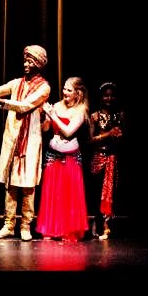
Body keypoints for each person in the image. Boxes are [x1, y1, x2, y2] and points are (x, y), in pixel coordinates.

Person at [0, 44, 51, 241]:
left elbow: (25, 106)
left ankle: (25, 225)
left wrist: (0, 102)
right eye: (25, 60)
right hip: (13, 139)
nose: (25, 64)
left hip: (30, 141)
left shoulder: (44, 88)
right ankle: (8, 225)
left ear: (37, 64)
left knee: (28, 184)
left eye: (29, 61)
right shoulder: (17, 83)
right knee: (10, 184)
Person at [36, 77, 89, 241]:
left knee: (68, 194)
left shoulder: (81, 110)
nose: (65, 92)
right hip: (53, 155)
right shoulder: (57, 106)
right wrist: (45, 117)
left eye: (69, 90)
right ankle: (51, 229)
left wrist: (53, 116)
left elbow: (68, 131)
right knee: (53, 193)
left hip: (71, 158)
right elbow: (46, 129)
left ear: (77, 93)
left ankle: (68, 230)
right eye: (64, 88)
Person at [88, 81, 124, 240]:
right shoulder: (94, 116)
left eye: (112, 95)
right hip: (98, 158)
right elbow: (89, 140)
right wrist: (107, 134)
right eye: (106, 95)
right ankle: (96, 221)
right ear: (101, 97)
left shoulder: (120, 115)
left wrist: (118, 136)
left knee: (110, 193)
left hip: (113, 158)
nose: (109, 98)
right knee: (96, 193)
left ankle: (107, 226)